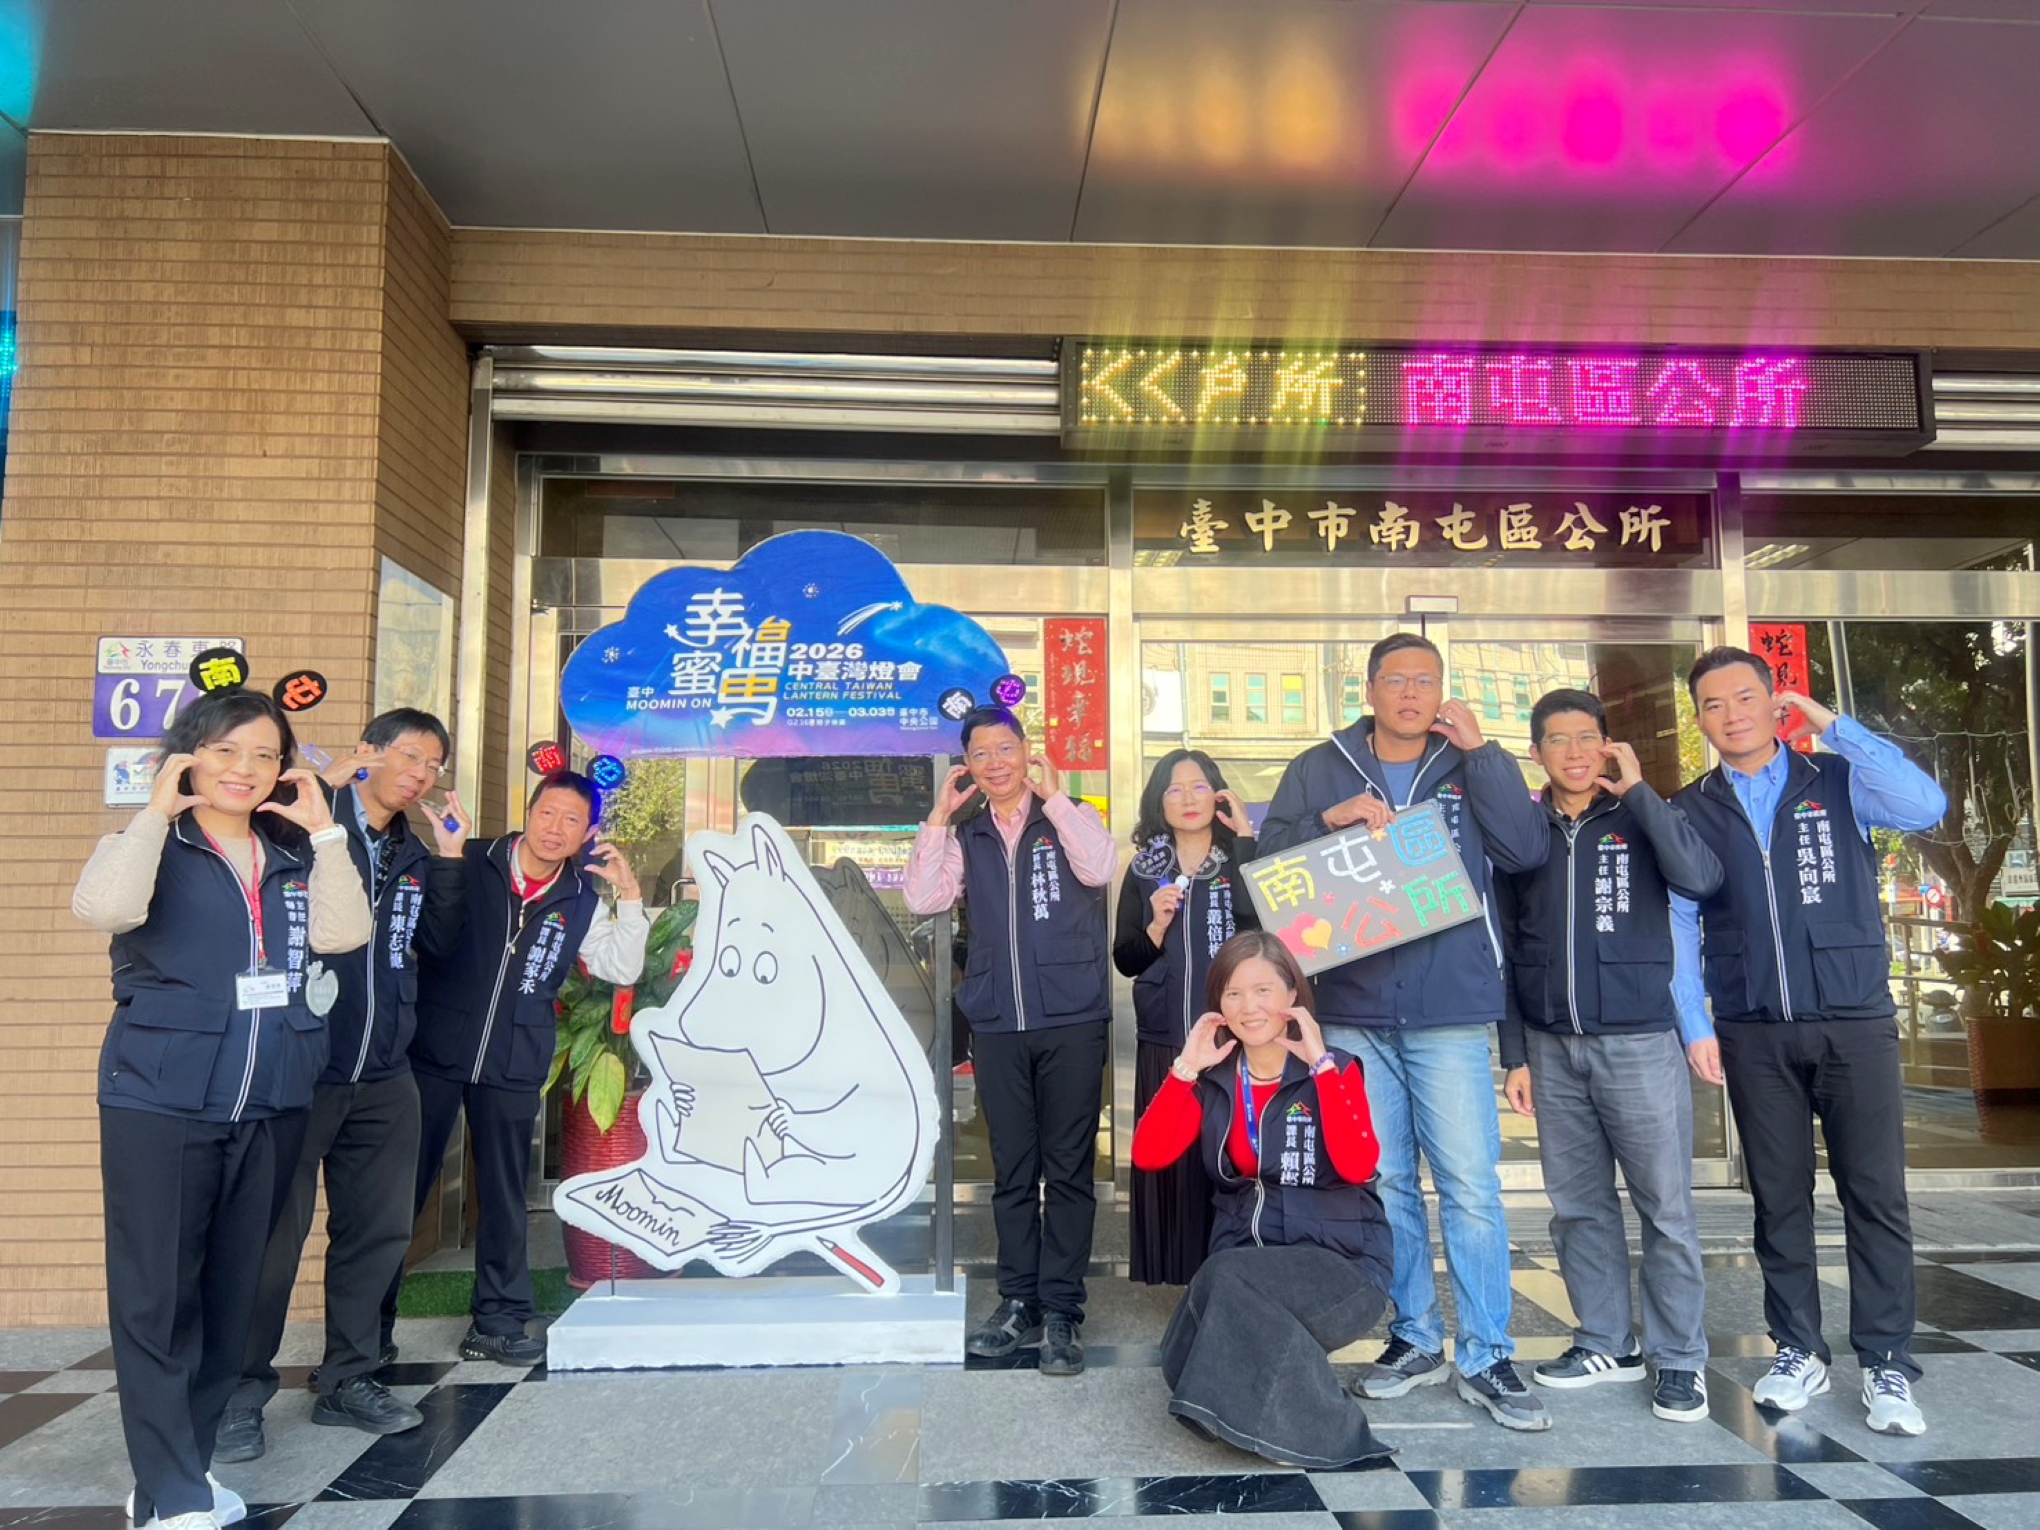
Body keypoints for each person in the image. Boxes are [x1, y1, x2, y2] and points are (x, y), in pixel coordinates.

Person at [73, 687, 372, 1530]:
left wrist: (326, 833)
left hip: (271, 1101)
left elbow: (344, 935)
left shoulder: (291, 855)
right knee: (158, 1302)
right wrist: (153, 813)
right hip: (162, 1103)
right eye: (226, 751)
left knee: (229, 1300)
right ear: (189, 757)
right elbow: (106, 910)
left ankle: (181, 1478)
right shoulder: (149, 846)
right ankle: (169, 1493)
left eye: (265, 755)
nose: (246, 769)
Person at [1259, 632, 1551, 1430]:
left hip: (1450, 1003)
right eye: (1397, 680)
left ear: (1441, 690)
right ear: (1370, 689)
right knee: (1387, 1181)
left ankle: (1488, 1354)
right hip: (1353, 1006)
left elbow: (1524, 850)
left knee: (1469, 1184)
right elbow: (1266, 861)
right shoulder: (1320, 765)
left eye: (1426, 680)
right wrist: (1330, 821)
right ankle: (1416, 1336)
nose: (1412, 693)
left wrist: (1486, 755)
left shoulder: (1466, 762)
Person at [1671, 647, 1947, 1437]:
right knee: (1778, 1199)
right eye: (1714, 704)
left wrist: (1836, 726)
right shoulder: (1689, 809)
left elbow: (1924, 806)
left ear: (1774, 702)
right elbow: (1679, 922)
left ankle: (1887, 1361)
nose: (1732, 714)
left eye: (1745, 697)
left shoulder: (1838, 780)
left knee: (1875, 1196)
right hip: (1752, 1028)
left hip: (1854, 1021)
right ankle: (1798, 1348)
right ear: (1699, 719)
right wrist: (1696, 1024)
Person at [217, 709, 471, 1463]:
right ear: (368, 754)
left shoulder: (413, 852)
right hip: (299, 1069)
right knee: (269, 1238)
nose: (420, 774)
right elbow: (248, 864)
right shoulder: (298, 824)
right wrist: (314, 797)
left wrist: (450, 859)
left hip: (386, 1073)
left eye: (433, 764)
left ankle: (350, 1378)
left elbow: (436, 947)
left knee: (378, 1233)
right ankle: (236, 1394)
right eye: (410, 756)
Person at [1495, 688, 1724, 1423]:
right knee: (1577, 1207)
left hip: (1639, 1042)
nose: (1574, 751)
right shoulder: (1524, 834)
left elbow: (1701, 876)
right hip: (1550, 1047)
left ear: (1607, 744)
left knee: (1665, 1206)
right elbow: (1507, 949)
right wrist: (1515, 1052)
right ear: (1537, 752)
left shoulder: (1642, 817)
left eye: (1586, 737)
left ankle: (1679, 1357)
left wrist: (1642, 794)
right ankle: (1605, 1341)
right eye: (1557, 739)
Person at [388, 770, 649, 1366]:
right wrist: (447, 858)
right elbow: (426, 937)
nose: (556, 829)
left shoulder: (581, 897)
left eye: (572, 821)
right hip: (434, 1047)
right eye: (548, 813)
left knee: (504, 1195)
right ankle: (367, 1330)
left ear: (588, 833)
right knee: (400, 1188)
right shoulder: (471, 860)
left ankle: (498, 1322)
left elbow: (621, 968)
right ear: (529, 813)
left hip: (513, 1057)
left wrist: (630, 896)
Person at [904, 706, 1115, 1376]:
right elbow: (924, 899)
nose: (995, 763)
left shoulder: (1068, 814)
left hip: (1071, 1018)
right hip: (998, 1021)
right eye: (980, 754)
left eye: (1005, 748)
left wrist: (1057, 800)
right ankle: (1019, 1301)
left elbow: (1100, 867)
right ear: (966, 765)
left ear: (1027, 751)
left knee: (1070, 1170)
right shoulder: (966, 832)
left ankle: (1063, 1312)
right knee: (1013, 1171)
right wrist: (938, 819)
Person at [1132, 932, 1393, 1469]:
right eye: (1232, 994)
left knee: (1224, 1277)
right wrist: (1185, 1068)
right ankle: (1265, 1414)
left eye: (1263, 991)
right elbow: (1149, 1154)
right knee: (1201, 1320)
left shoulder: (1336, 1069)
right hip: (1249, 1266)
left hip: (1341, 1268)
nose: (1248, 1007)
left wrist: (1321, 1067)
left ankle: (1323, 1432)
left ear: (1292, 995)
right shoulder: (1214, 1080)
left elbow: (1357, 1164)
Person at [1113, 750, 1259, 1285]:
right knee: (1170, 1157)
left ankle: (1232, 1272)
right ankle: (1176, 1274)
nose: (1188, 798)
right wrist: (1155, 925)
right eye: (1174, 789)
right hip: (1166, 1040)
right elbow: (1125, 959)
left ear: (1218, 795)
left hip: (1233, 1038)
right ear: (1159, 802)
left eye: (1199, 787)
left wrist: (1245, 839)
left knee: (1227, 1155)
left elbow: (1262, 925)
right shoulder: (1144, 869)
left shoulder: (1239, 856)